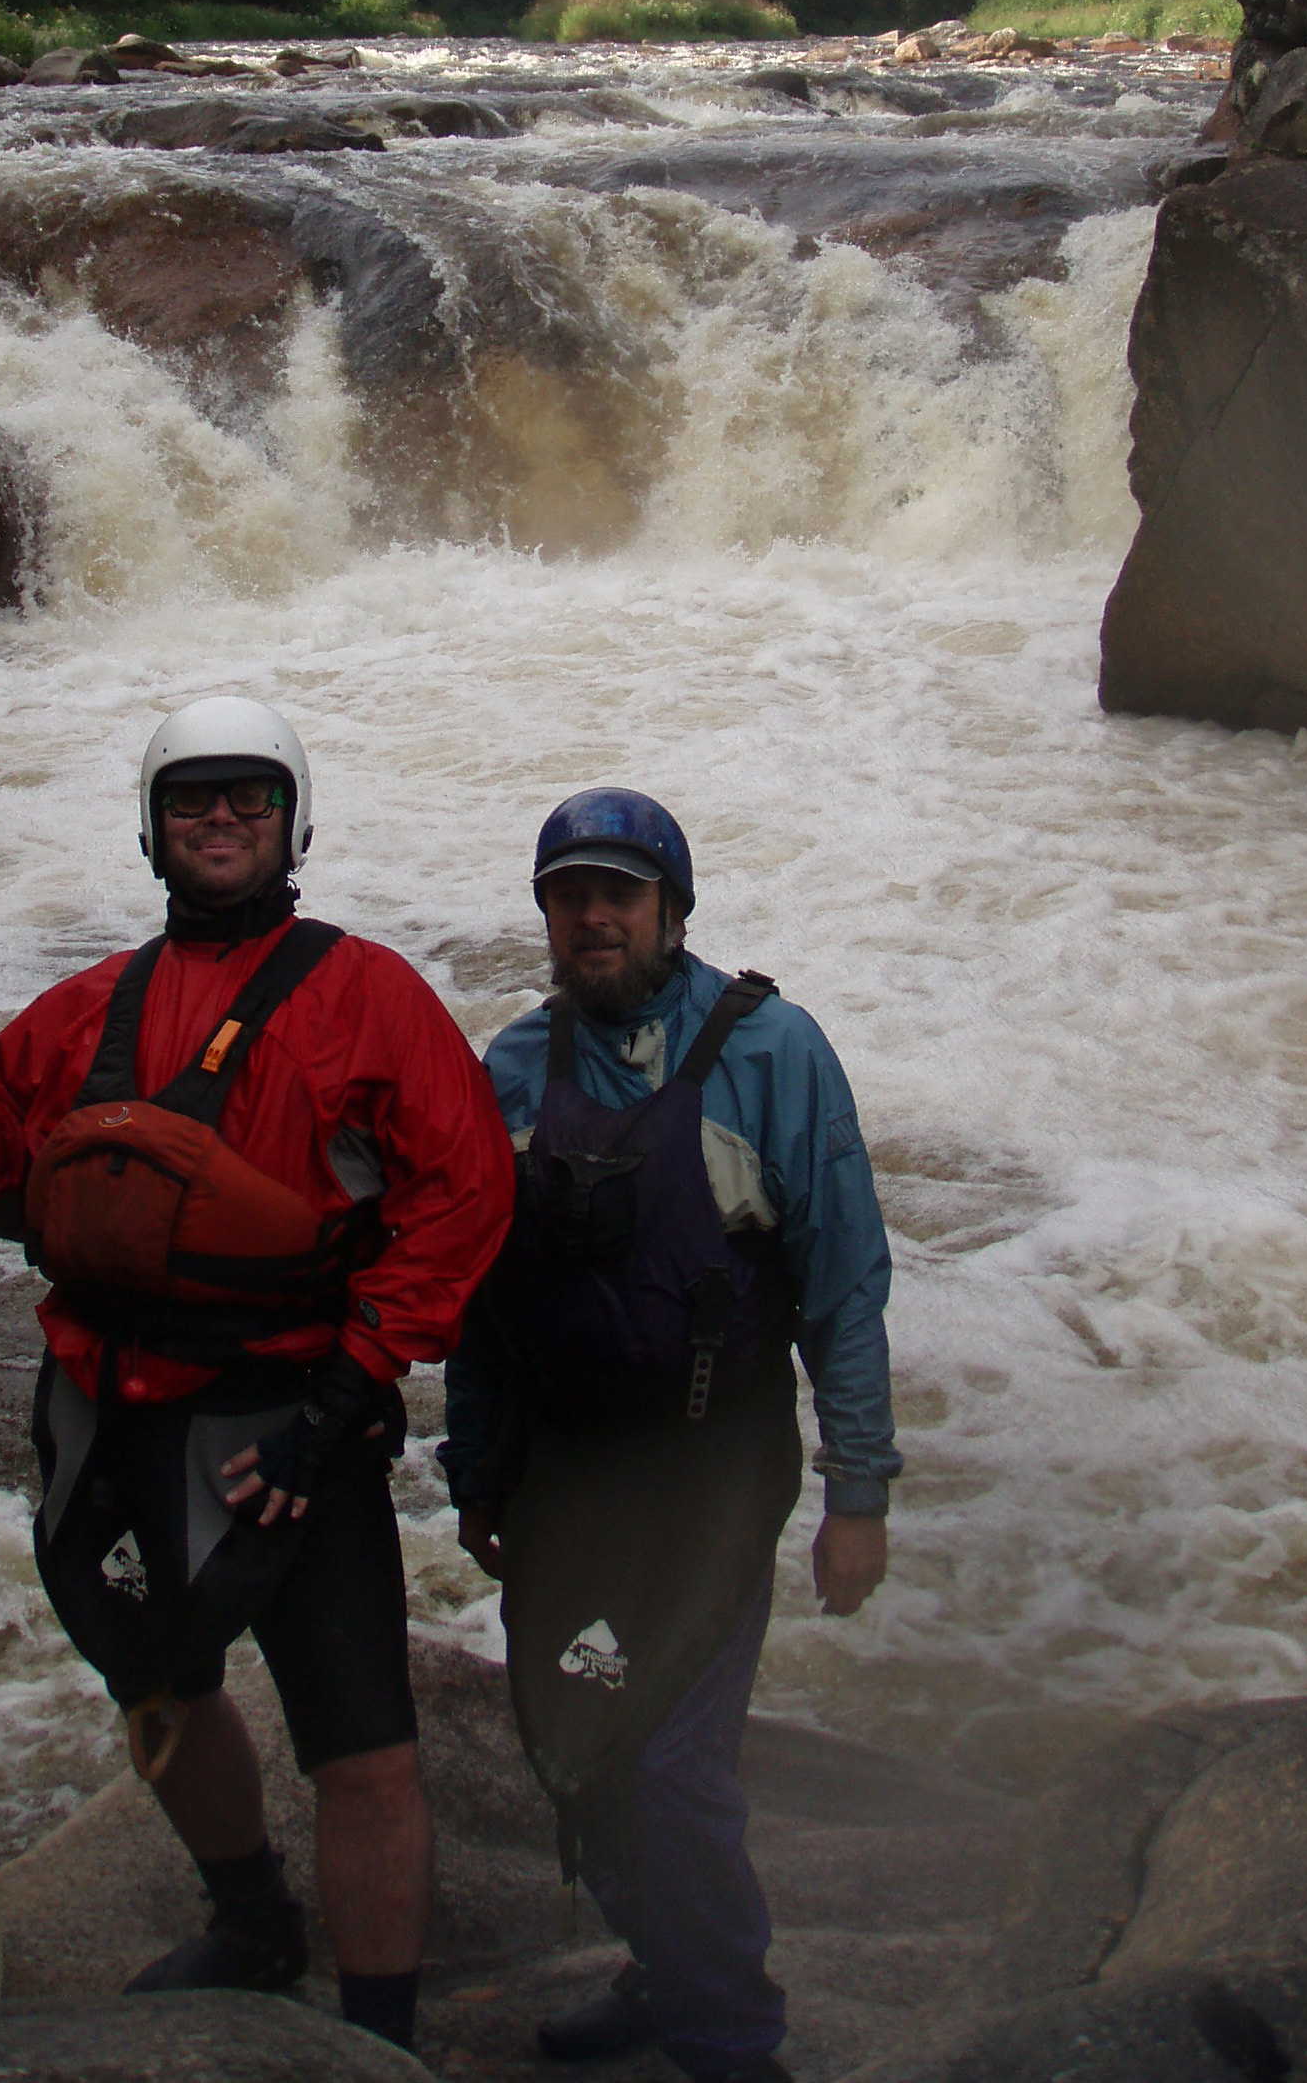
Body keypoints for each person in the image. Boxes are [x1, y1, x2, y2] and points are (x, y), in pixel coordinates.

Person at [0, 694, 515, 2061]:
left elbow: (463, 1198)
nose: (219, 820)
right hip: (113, 1420)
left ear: (292, 822)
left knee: (363, 1745)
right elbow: (17, 1189)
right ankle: (250, 1918)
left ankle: (379, 2042)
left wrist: (349, 1392)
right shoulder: (82, 1011)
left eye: (248, 798)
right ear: (153, 831)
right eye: (191, 800)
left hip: (291, 1427)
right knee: (157, 1688)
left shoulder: (370, 998)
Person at [441, 787, 899, 2083]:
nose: (592, 916)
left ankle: (734, 2044)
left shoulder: (774, 1053)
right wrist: (476, 1472)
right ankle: (661, 1967)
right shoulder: (515, 1071)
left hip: (713, 1475)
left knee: (678, 1774)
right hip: (567, 1483)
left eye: (618, 893)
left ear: (672, 910)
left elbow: (845, 1281)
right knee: (579, 1756)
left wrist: (857, 1494)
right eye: (569, 895)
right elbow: (483, 1304)